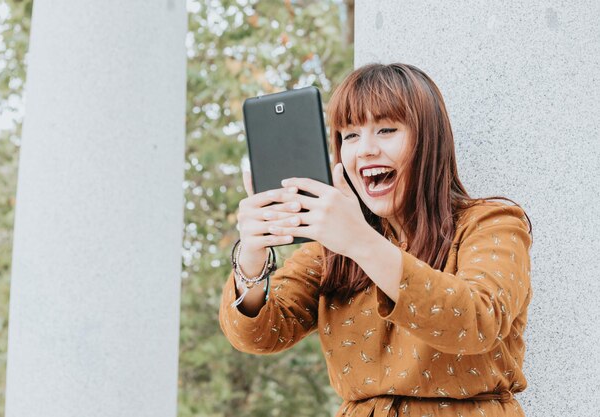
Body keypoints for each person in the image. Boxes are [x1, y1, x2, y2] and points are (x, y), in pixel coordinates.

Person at [218, 63, 533, 417]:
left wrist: (361, 242)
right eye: (350, 135)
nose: (364, 150)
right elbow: (259, 334)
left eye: (386, 130)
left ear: (429, 141)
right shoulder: (330, 248)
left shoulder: (492, 223)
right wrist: (252, 254)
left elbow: (477, 321)